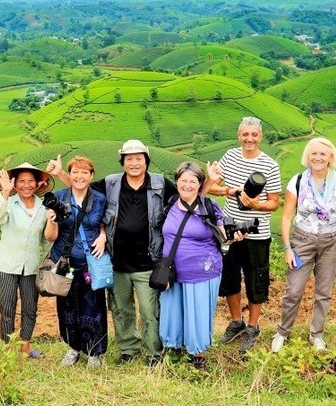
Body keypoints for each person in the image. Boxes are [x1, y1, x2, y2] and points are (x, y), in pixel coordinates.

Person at [47, 140, 177, 366]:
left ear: (146, 161)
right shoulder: (111, 183)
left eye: (139, 158)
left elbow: (187, 196)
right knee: (121, 310)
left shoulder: (160, 184)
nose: (134, 163)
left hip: (147, 262)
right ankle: (128, 349)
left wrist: (211, 186)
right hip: (116, 262)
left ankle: (153, 353)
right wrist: (60, 174)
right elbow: (80, 186)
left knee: (149, 311)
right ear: (123, 162)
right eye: (129, 159)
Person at [271, 138, 336, 353]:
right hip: (302, 241)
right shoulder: (296, 181)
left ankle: (317, 334)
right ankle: (282, 332)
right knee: (294, 290)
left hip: (332, 241)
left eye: (323, 154)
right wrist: (287, 248)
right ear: (307, 156)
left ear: (331, 157)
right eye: (313, 153)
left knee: (324, 291)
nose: (318, 158)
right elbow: (286, 217)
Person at [207, 116, 282, 353]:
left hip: (257, 235)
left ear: (260, 137)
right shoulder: (230, 157)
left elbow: (274, 204)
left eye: (254, 135)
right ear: (239, 136)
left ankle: (252, 326)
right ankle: (236, 321)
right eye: (245, 134)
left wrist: (256, 205)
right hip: (230, 230)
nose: (249, 139)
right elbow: (211, 187)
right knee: (229, 279)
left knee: (256, 280)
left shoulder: (270, 165)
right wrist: (230, 190)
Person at [159, 161, 242, 370]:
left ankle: (198, 355)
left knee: (198, 313)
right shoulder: (169, 204)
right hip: (172, 272)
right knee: (174, 311)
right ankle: (175, 349)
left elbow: (224, 236)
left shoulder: (209, 206)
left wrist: (233, 237)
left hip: (202, 271)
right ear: (176, 182)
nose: (187, 185)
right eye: (183, 180)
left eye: (193, 181)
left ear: (200, 184)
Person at [46, 156, 108, 367]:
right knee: (67, 306)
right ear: (69, 175)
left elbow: (106, 223)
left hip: (91, 261)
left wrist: (103, 234)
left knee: (94, 306)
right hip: (65, 262)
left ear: (91, 176)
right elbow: (50, 237)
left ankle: (94, 351)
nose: (79, 176)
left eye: (84, 172)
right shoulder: (59, 197)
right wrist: (51, 222)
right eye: (75, 172)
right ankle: (73, 348)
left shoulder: (100, 199)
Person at [0, 162, 57, 358]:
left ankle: (26, 345)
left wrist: (52, 222)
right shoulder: (8, 203)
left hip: (31, 266)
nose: (26, 185)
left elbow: (47, 238)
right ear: (14, 184)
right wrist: (4, 193)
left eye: (31, 181)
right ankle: (9, 347)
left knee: (30, 307)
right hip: (6, 265)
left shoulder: (43, 207)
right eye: (21, 181)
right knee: (7, 307)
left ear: (38, 184)